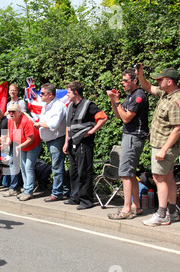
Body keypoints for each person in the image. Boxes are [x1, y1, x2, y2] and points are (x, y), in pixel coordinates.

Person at [136, 66, 180, 226]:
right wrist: (140, 75)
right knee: (168, 178)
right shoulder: (166, 94)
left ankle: (162, 214)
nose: (158, 82)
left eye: (160, 80)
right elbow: (147, 86)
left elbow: (178, 128)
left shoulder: (176, 100)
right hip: (161, 144)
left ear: (169, 81)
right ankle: (173, 212)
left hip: (164, 145)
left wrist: (163, 149)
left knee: (159, 178)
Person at [106, 68, 149, 219]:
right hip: (129, 136)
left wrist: (117, 101)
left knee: (125, 173)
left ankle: (126, 209)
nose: (122, 83)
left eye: (125, 80)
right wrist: (114, 100)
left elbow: (126, 118)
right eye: (122, 80)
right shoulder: (130, 96)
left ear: (134, 81)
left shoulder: (138, 96)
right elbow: (119, 115)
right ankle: (135, 206)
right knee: (130, 174)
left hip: (133, 137)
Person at [63, 81, 108, 210]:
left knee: (84, 172)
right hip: (72, 143)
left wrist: (92, 131)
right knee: (74, 172)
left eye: (69, 92)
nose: (67, 95)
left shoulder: (88, 105)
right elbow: (68, 126)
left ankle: (87, 200)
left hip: (84, 143)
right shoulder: (70, 106)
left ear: (76, 92)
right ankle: (75, 197)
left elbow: (103, 117)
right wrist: (66, 142)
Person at [34, 83, 69, 202]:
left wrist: (39, 124)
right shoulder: (47, 105)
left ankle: (57, 193)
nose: (41, 95)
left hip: (56, 140)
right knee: (58, 167)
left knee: (57, 167)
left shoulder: (58, 106)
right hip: (50, 140)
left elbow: (53, 125)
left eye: (43, 93)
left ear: (50, 95)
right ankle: (65, 189)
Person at [1, 103, 41, 201]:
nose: (10, 113)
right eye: (9, 111)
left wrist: (18, 147)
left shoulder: (25, 121)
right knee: (23, 167)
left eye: (13, 111)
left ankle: (29, 192)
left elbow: (30, 139)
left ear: (19, 112)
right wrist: (6, 144)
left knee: (28, 167)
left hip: (33, 145)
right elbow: (11, 135)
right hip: (22, 145)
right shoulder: (11, 121)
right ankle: (26, 189)